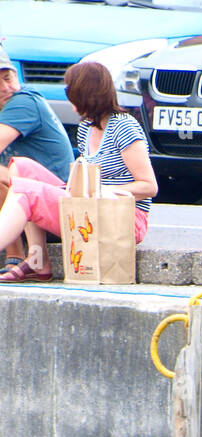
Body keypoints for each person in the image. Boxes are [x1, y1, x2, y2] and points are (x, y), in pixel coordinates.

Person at [0, 60, 157, 283]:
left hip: (125, 218)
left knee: (26, 191)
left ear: (84, 94)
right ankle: (37, 259)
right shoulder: (86, 128)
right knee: (21, 167)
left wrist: (99, 190)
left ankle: (34, 259)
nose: (68, 96)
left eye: (70, 90)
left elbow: (149, 187)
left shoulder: (124, 127)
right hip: (92, 207)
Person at [0, 44, 73, 267]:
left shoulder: (24, 102)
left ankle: (16, 255)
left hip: (56, 211)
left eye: (8, 77)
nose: (6, 88)